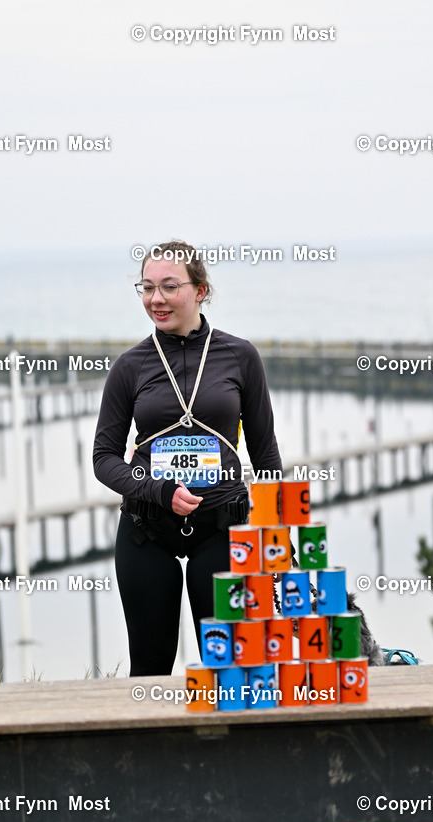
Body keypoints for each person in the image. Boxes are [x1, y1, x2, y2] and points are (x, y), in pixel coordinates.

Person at [93, 240, 282, 676]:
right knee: (150, 666)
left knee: (231, 667)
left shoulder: (241, 356)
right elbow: (104, 458)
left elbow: (265, 451)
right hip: (146, 528)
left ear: (200, 290)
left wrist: (277, 532)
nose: (156, 299)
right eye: (147, 288)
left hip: (222, 527)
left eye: (169, 287)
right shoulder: (129, 366)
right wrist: (157, 490)